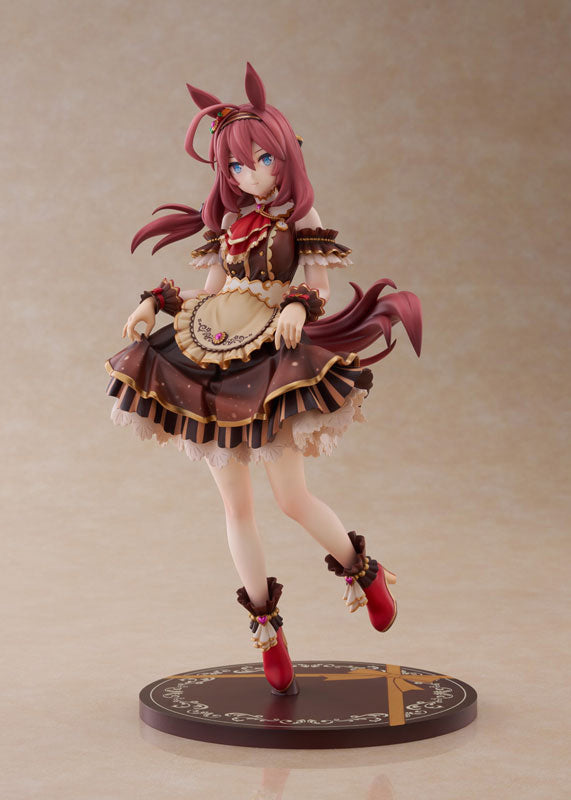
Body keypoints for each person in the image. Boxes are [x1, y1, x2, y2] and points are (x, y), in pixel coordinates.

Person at [106, 63, 422, 695]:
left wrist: (300, 305)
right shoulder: (228, 225)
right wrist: (155, 302)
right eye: (234, 166)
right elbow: (209, 291)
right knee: (236, 505)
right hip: (214, 353)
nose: (248, 174)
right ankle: (267, 630)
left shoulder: (300, 218)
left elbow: (320, 285)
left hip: (271, 359)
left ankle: (364, 573)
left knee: (290, 498)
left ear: (285, 157)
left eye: (259, 161)